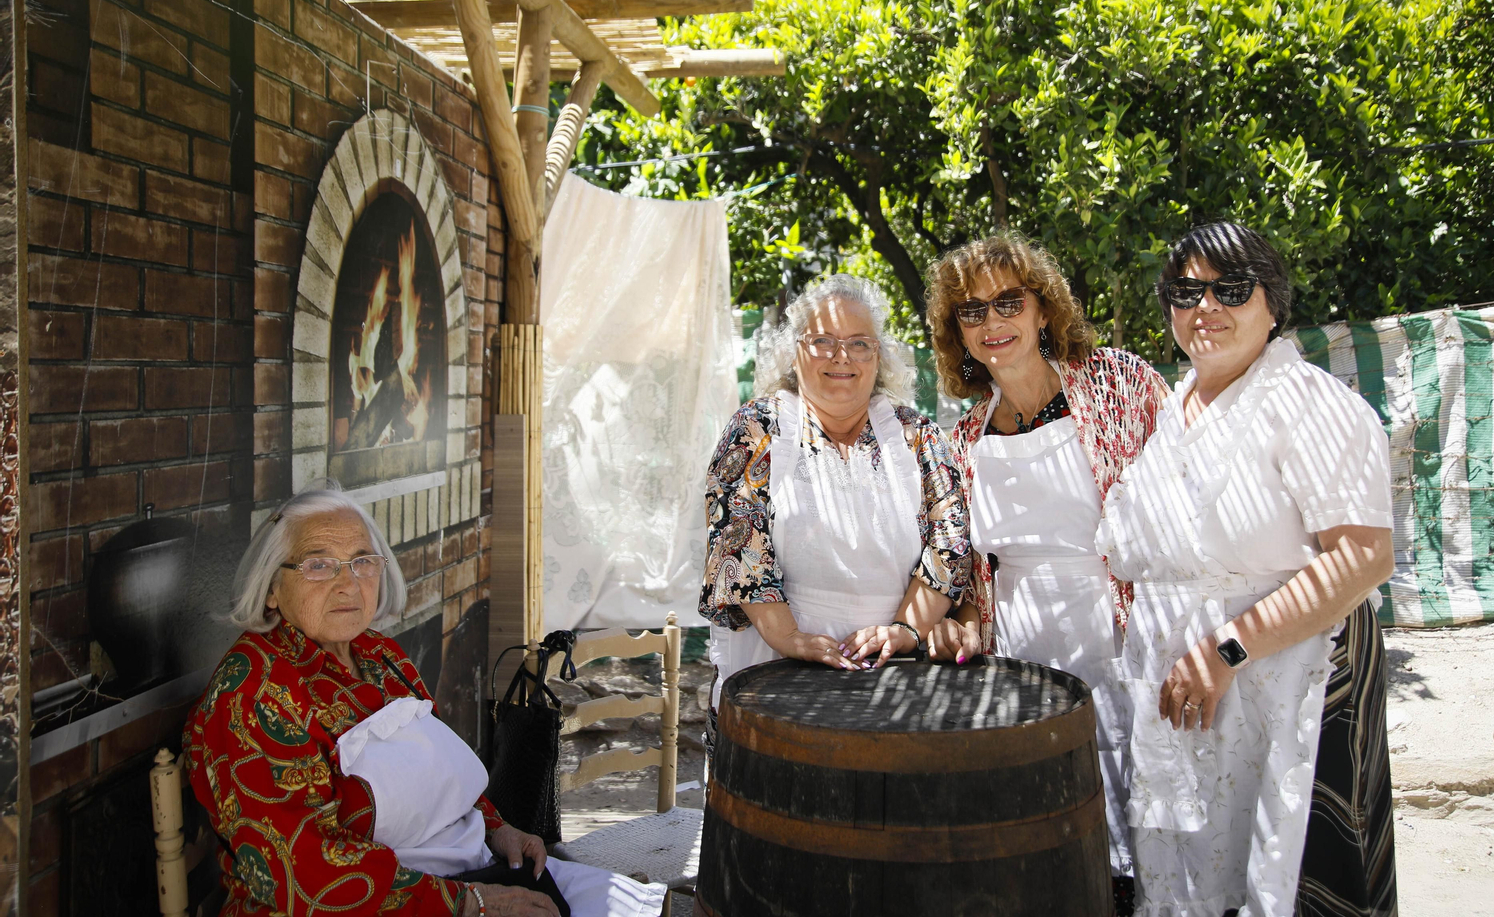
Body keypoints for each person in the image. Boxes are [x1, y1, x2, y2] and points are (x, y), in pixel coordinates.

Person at [184, 484, 667, 917]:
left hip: (471, 873)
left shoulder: (379, 654)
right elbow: (302, 873)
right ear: (272, 588)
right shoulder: (253, 692)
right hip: (380, 905)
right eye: (318, 564)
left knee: (645, 909)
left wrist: (497, 829)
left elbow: (438, 776)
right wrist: (469, 904)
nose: (348, 583)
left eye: (362, 561)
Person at [1097, 221, 1397, 916]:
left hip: (1286, 679)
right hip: (1186, 698)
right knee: (1189, 873)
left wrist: (1228, 648)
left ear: (1273, 302)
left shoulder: (1307, 401)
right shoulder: (1174, 410)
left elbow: (1361, 556)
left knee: (1285, 870)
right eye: (1185, 291)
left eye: (1230, 289)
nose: (1206, 308)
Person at [921, 234, 1168, 900]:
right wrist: (965, 625)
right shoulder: (965, 440)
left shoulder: (1118, 384)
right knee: (1048, 851)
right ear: (957, 334)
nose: (993, 323)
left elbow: (1188, 504)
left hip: (1123, 640)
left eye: (1008, 302)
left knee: (1138, 844)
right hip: (1023, 660)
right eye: (972, 312)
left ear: (1042, 309)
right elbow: (977, 574)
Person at [699, 274, 974, 725]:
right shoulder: (757, 429)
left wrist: (904, 631)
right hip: (775, 669)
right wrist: (790, 638)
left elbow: (951, 544)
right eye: (822, 340)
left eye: (859, 343)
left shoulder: (917, 436)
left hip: (895, 675)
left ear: (878, 356)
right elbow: (738, 540)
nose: (840, 356)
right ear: (795, 351)